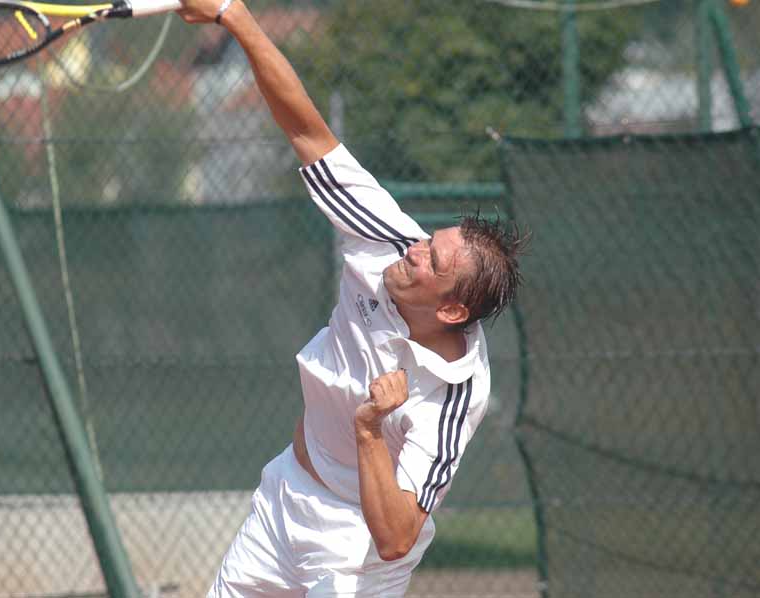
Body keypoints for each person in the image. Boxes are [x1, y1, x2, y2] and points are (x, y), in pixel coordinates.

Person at [177, 1, 525, 596]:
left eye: (433, 261)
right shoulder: (387, 238)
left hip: (357, 550)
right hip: (284, 501)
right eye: (429, 239)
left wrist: (369, 432)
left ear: (451, 310)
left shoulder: (456, 394)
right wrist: (233, 15)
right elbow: (306, 129)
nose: (415, 250)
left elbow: (396, 536)